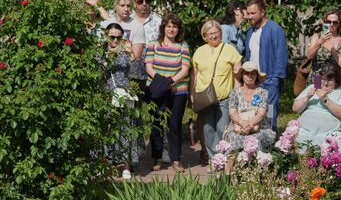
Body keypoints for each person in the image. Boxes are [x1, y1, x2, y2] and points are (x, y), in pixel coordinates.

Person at [144, 14, 192, 170]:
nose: (171, 29)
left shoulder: (183, 46)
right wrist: (162, 83)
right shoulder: (153, 44)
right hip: (157, 89)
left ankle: (176, 159)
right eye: (169, 26)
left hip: (178, 90)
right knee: (156, 124)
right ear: (163, 28)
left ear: (179, 29)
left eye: (175, 26)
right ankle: (157, 158)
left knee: (175, 125)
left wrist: (171, 82)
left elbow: (185, 70)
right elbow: (148, 67)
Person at [191, 19, 241, 162]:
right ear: (204, 36)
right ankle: (214, 160)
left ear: (221, 33)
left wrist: (236, 93)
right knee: (208, 129)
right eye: (210, 33)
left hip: (224, 97)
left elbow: (238, 73)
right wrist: (193, 95)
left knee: (223, 129)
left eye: (216, 32)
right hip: (204, 98)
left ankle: (224, 158)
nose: (213, 36)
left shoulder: (230, 49)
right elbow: (194, 75)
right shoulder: (199, 52)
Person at [100, 23, 138, 179]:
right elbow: (98, 75)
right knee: (106, 129)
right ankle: (106, 163)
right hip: (107, 94)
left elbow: (135, 74)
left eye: (118, 37)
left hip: (124, 93)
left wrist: (131, 56)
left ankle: (126, 165)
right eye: (112, 37)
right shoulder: (101, 53)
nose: (115, 40)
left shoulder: (125, 54)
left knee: (126, 128)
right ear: (106, 36)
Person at [244, 0, 288, 131]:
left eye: (253, 13)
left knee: (269, 114)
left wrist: (276, 79)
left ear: (262, 12)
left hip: (270, 80)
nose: (250, 16)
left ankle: (270, 144)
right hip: (254, 82)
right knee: (254, 112)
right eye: (248, 13)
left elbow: (281, 55)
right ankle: (254, 144)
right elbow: (249, 56)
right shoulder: (250, 33)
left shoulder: (274, 29)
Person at [292, 64, 341, 153]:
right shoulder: (313, 87)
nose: (326, 83)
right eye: (323, 79)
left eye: (330, 80)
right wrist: (307, 97)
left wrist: (325, 99)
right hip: (305, 130)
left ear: (336, 80)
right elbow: (295, 108)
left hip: (329, 133)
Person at [223, 63, 275, 164]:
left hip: (259, 128)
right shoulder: (234, 92)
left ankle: (257, 167)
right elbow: (232, 112)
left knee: (254, 139)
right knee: (234, 138)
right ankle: (232, 168)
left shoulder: (262, 92)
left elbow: (262, 113)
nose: (250, 76)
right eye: (246, 73)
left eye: (253, 73)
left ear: (257, 76)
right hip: (238, 127)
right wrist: (242, 123)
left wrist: (250, 125)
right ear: (242, 75)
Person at [300, 9, 341, 97]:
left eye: (334, 22)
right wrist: (319, 43)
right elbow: (309, 57)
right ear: (324, 22)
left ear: (339, 23)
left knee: (332, 104)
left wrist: (332, 50)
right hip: (317, 77)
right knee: (315, 103)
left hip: (334, 80)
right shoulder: (317, 36)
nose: (331, 25)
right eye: (328, 21)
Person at [127, 0, 162, 65]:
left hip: (153, 66)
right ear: (134, 3)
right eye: (140, 1)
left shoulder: (159, 22)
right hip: (130, 66)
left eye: (147, 1)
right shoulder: (127, 21)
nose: (144, 4)